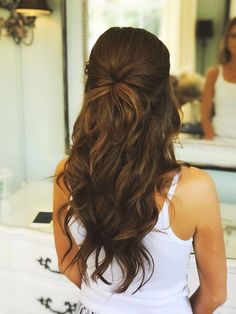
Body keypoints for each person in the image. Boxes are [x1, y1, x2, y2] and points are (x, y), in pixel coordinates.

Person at [53, 27, 227, 314]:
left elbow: (68, 263)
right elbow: (215, 295)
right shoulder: (195, 189)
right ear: (165, 97)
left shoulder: (69, 173)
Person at [201, 17, 236, 140]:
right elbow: (204, 115)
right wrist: (211, 139)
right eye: (233, 36)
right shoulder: (214, 74)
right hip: (217, 141)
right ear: (226, 40)